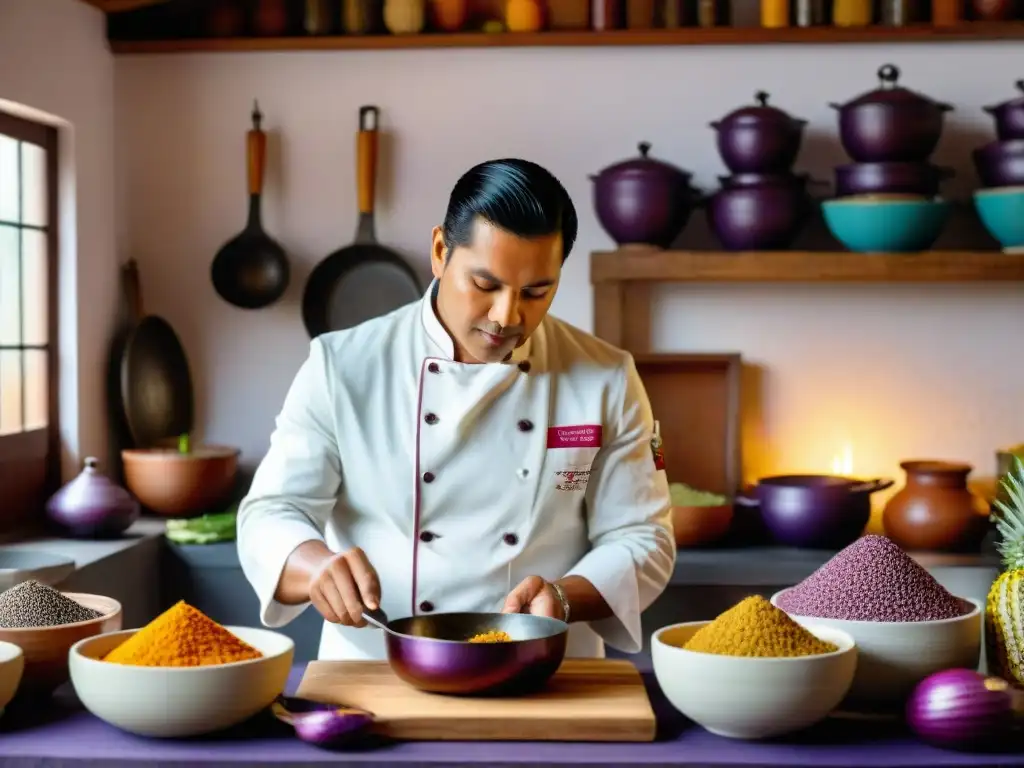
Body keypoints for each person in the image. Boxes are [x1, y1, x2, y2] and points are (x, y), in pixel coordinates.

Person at [237, 158, 676, 661]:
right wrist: (312, 566)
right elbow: (271, 512)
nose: (507, 316)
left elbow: (644, 538)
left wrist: (562, 597)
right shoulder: (343, 366)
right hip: (375, 667)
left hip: (545, 672)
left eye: (536, 291)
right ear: (441, 251)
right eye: (486, 285)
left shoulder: (607, 377)